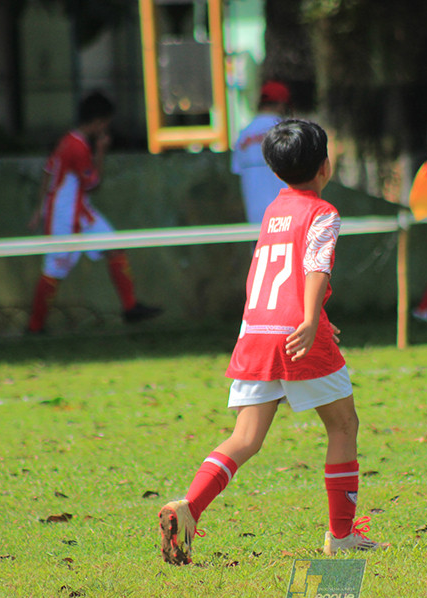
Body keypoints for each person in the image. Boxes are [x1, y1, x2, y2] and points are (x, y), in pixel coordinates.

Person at [158, 119, 388, 565]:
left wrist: (316, 314)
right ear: (325, 166)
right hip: (297, 334)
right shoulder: (322, 212)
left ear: (275, 171)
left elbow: (273, 275)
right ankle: (341, 535)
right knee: (342, 426)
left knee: (244, 438)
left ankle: (188, 507)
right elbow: (316, 265)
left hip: (255, 331)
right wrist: (309, 319)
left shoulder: (272, 211)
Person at [26, 92, 162, 333]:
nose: (106, 128)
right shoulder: (78, 148)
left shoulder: (66, 141)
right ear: (99, 121)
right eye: (106, 122)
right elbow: (93, 183)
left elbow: (48, 172)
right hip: (65, 217)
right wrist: (101, 151)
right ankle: (34, 327)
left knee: (114, 246)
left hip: (78, 211)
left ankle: (131, 308)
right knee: (54, 270)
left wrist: (39, 208)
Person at [232, 80, 291, 226]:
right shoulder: (288, 132)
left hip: (255, 223)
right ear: (281, 105)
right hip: (287, 221)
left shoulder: (243, 135)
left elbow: (236, 174)